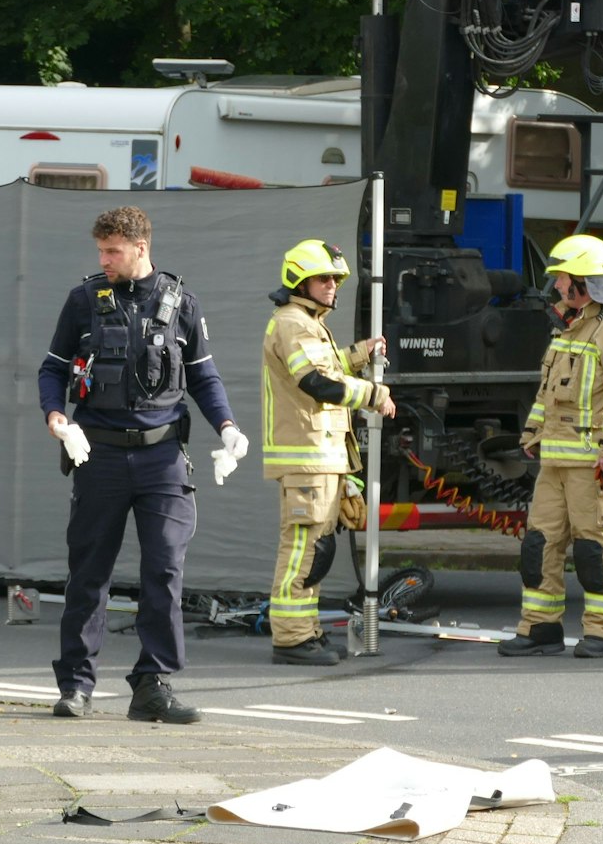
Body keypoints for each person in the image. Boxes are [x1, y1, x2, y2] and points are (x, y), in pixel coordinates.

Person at [38, 206, 246, 722]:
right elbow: (53, 369)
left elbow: (203, 377)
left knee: (165, 568)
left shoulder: (181, 304)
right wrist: (57, 415)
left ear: (140, 247)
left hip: (162, 457)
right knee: (89, 572)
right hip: (99, 453)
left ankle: (153, 683)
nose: (104, 259)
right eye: (101, 251)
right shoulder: (83, 301)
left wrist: (227, 427)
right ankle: (76, 685)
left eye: (113, 251)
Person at [499, 233, 603, 659]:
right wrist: (532, 433)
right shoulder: (570, 324)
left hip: (594, 462)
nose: (558, 286)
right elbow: (549, 390)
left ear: (585, 279)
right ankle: (539, 628)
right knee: (538, 545)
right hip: (556, 459)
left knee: (593, 547)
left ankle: (602, 631)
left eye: (563, 277)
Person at [260, 240, 395, 666]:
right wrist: (375, 394)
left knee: (315, 551)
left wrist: (359, 354)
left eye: (336, 279)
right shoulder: (293, 323)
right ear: (300, 281)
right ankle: (291, 639)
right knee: (302, 550)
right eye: (324, 279)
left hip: (319, 457)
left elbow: (328, 364)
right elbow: (317, 382)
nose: (333, 285)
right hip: (307, 458)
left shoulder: (306, 322)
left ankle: (306, 632)